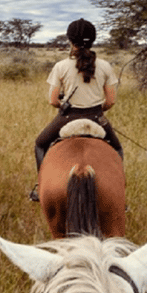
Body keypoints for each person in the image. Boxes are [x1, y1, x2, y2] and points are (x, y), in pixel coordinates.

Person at [30, 18, 123, 201]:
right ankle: (120, 193)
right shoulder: (105, 66)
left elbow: (52, 100)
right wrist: (98, 110)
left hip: (68, 117)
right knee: (118, 149)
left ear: (70, 41)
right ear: (93, 40)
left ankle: (41, 188)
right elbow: (111, 101)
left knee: (40, 144)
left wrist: (62, 105)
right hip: (97, 117)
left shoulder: (61, 66)